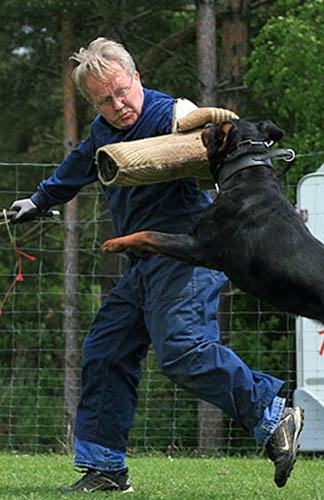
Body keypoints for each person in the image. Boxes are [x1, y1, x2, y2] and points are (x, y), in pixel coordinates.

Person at [10, 37, 303, 493]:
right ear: (94, 102)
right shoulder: (102, 131)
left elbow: (212, 128)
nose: (118, 104)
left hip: (188, 256)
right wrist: (37, 200)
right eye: (104, 100)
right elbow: (77, 165)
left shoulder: (172, 115)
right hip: (144, 263)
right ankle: (105, 467)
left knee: (183, 351)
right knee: (105, 351)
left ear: (137, 77)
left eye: (122, 90)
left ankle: (271, 410)